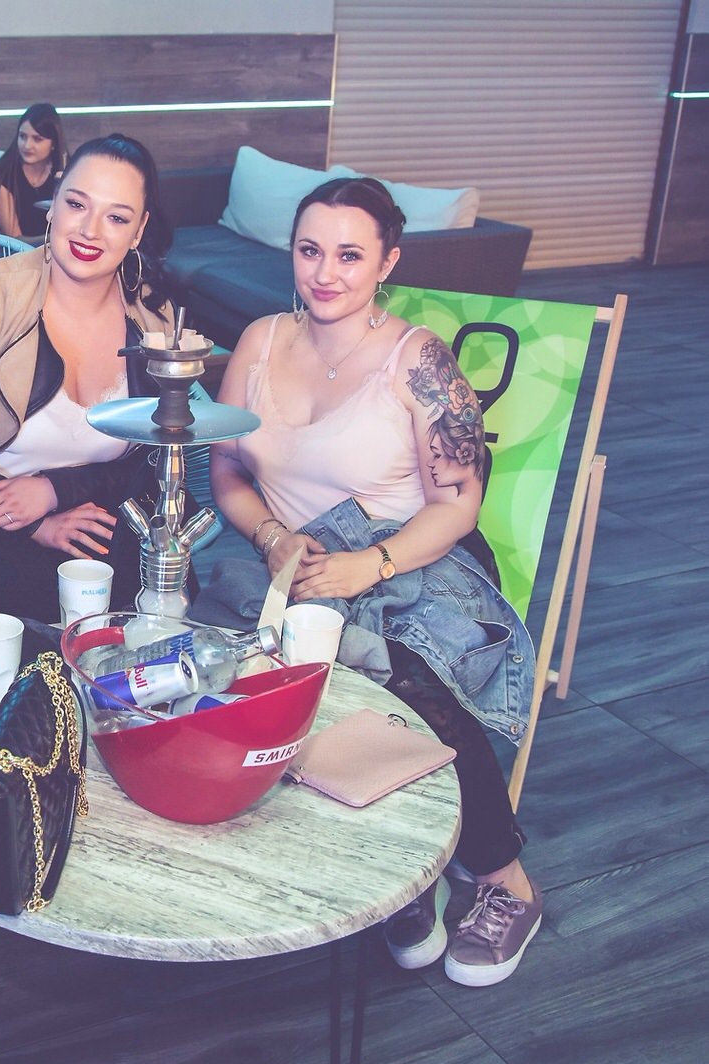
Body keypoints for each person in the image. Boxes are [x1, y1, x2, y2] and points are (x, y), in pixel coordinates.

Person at [209, 175, 541, 987]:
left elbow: (459, 502)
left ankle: (503, 879)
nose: (325, 273)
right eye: (310, 250)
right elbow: (226, 472)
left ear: (387, 262)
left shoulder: (416, 360)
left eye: (350, 255)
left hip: (409, 557)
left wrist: (370, 564)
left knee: (408, 677)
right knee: (218, 673)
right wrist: (273, 536)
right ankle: (397, 875)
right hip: (290, 562)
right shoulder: (258, 341)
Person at [0, 133, 193, 624]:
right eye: (77, 204)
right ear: (53, 203)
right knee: (44, 588)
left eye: (116, 217)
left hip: (83, 497)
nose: (90, 230)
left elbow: (153, 454)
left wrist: (53, 491)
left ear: (139, 230)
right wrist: (34, 523)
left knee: (161, 570)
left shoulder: (153, 318)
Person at [0, 103, 66, 241]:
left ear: (53, 143)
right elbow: (14, 240)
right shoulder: (2, 175)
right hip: (15, 250)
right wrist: (55, 240)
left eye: (37, 139)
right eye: (23, 136)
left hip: (55, 249)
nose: (27, 145)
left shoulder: (65, 171)